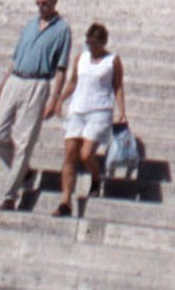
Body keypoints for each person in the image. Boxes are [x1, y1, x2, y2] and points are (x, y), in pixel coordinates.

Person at [0, 0, 72, 211]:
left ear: (54, 2)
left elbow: (61, 68)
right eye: (38, 3)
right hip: (16, 80)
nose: (41, 7)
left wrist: (55, 99)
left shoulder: (62, 30)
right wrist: (0, 89)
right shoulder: (29, 25)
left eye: (45, 3)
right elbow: (14, 60)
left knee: (24, 141)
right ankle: (23, 171)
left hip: (38, 82)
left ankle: (10, 196)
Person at [48, 22, 127, 220]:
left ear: (103, 43)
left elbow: (117, 86)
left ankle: (96, 177)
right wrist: (59, 100)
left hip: (99, 110)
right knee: (69, 153)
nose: (91, 47)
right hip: (78, 109)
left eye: (95, 44)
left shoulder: (112, 61)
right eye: (89, 43)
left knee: (85, 154)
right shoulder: (81, 58)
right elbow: (74, 81)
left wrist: (122, 111)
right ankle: (65, 201)